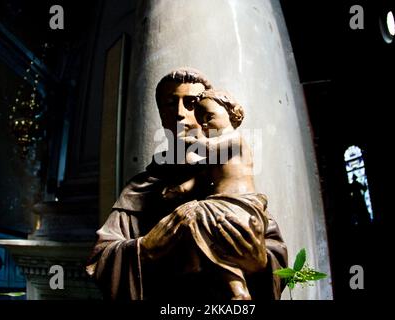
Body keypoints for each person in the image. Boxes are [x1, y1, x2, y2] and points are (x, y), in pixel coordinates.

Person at [86, 67, 288, 300]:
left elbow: (274, 253)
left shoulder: (226, 178)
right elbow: (101, 260)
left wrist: (260, 262)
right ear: (161, 114)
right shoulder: (141, 188)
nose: (180, 113)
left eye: (191, 103)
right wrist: (147, 248)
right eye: (170, 104)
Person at [162, 89, 269, 300]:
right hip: (219, 204)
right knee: (217, 244)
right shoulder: (216, 148)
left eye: (209, 116)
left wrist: (190, 140)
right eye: (200, 120)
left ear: (230, 113)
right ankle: (237, 291)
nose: (203, 124)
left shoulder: (234, 139)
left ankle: (194, 263)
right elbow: (200, 178)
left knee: (194, 215)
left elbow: (208, 148)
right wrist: (180, 189)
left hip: (239, 204)